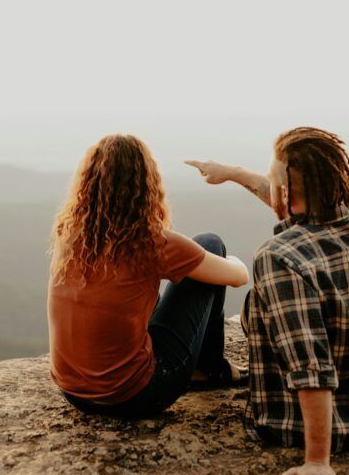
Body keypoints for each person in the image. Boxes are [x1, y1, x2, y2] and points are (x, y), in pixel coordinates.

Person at [186, 126, 349, 475]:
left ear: (287, 191)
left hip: (306, 424)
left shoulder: (280, 257)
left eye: (274, 178)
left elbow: (312, 367)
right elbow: (292, 202)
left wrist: (317, 460)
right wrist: (233, 173)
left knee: (262, 301)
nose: (269, 185)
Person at [48, 134, 249, 419]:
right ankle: (209, 369)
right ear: (145, 184)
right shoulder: (151, 242)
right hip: (134, 396)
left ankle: (206, 368)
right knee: (210, 243)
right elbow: (239, 276)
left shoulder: (69, 234)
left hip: (73, 392)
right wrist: (225, 261)